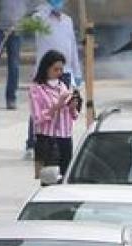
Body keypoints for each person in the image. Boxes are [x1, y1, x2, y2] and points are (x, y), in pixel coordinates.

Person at [27, 0, 83, 159]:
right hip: (46, 70)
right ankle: (32, 142)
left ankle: (61, 138)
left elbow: (72, 47)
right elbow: (35, 17)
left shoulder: (67, 21)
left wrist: (77, 72)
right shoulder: (40, 18)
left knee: (65, 107)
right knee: (41, 106)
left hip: (66, 70)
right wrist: (48, 8)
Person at [28, 50, 80, 179]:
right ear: (46, 68)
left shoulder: (63, 86)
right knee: (49, 178)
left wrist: (72, 107)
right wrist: (57, 106)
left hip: (65, 137)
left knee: (66, 176)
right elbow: (38, 117)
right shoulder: (37, 89)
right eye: (55, 69)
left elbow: (73, 115)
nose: (59, 73)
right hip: (47, 139)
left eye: (61, 69)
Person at [0, 0, 31, 110]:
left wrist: (23, 15)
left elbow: (30, 3)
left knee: (14, 65)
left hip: (16, 29)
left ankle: (11, 98)